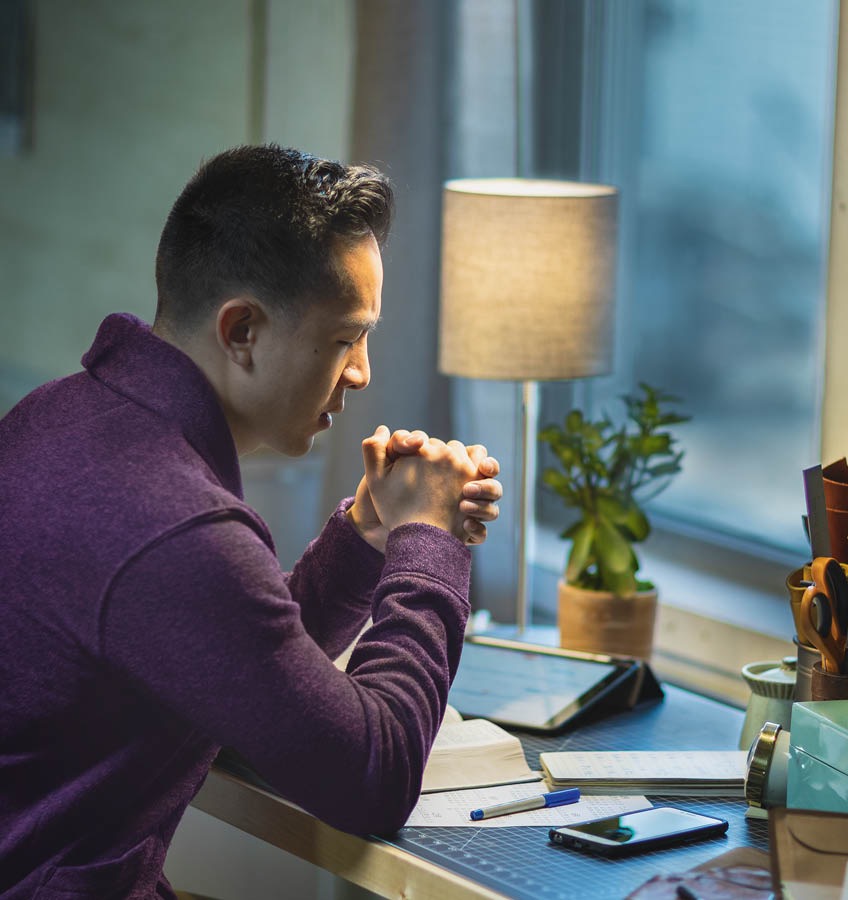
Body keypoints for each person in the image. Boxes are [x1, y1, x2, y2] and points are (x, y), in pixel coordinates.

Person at [0, 145, 502, 899]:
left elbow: (231, 664)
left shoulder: (58, 414)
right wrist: (428, 542)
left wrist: (369, 535)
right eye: (346, 337)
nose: (361, 372)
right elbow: (373, 777)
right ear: (242, 331)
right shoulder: (175, 526)